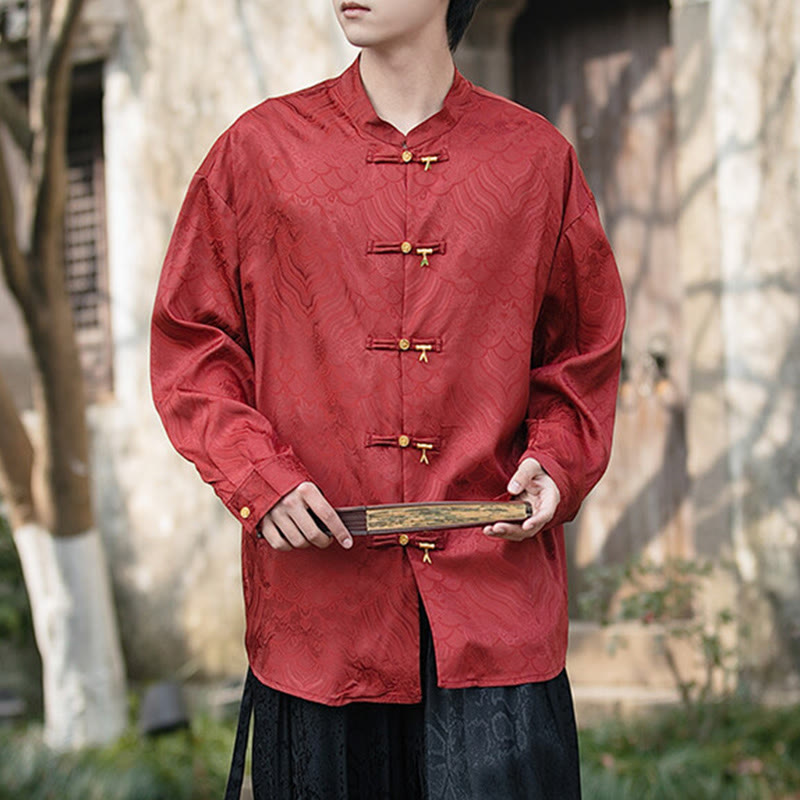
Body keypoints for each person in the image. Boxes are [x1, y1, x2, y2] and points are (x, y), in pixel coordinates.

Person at [150, 0, 626, 797]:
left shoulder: (535, 159)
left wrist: (557, 461)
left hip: (494, 602)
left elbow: (582, 348)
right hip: (320, 612)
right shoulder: (259, 151)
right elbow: (192, 342)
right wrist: (259, 477)